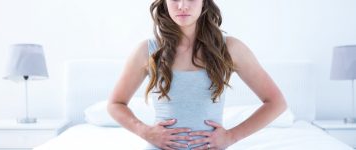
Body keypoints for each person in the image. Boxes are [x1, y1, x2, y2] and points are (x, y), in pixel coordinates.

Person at [108, 0, 287, 149]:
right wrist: (144, 131)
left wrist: (232, 136)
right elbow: (115, 104)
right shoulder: (147, 51)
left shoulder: (230, 49)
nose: (183, 5)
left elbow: (276, 103)